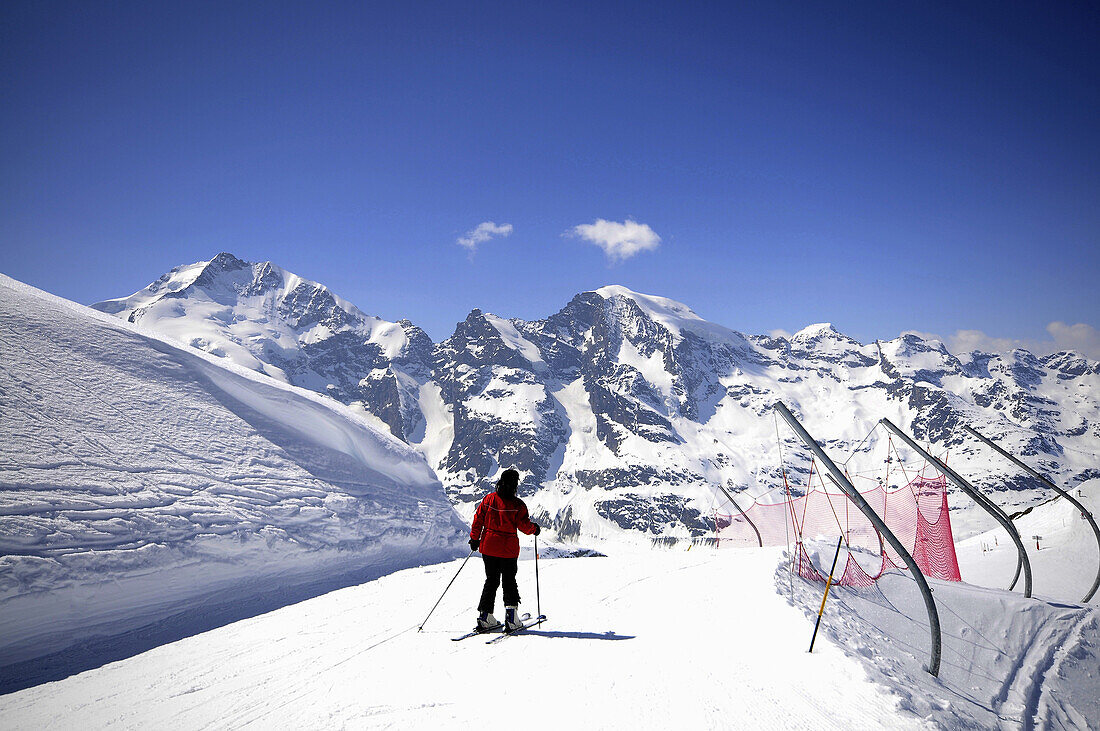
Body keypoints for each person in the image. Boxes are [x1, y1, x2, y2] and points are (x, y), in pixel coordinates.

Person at [469, 468, 540, 632]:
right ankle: (512, 618)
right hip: (508, 550)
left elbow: (478, 519)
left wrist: (474, 539)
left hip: (488, 547)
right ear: (515, 485)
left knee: (491, 581)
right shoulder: (518, 505)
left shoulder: (489, 499)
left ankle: (485, 617)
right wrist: (534, 529)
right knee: (509, 581)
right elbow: (524, 525)